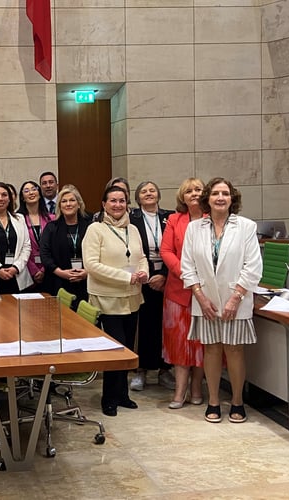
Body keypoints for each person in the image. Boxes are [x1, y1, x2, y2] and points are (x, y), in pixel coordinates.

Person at [181, 177, 262, 424]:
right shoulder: (195, 228)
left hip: (235, 301)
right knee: (212, 349)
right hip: (205, 302)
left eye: (225, 193)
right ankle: (213, 401)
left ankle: (237, 401)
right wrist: (201, 297)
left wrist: (235, 298)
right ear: (208, 198)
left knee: (235, 350)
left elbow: (253, 266)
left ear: (232, 198)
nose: (220, 198)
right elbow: (187, 266)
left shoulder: (246, 227)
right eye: (215, 193)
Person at [83, 185, 149, 417]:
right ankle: (108, 397)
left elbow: (141, 257)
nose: (118, 205)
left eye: (122, 201)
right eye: (113, 201)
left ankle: (122, 394)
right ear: (104, 204)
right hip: (107, 299)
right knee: (115, 349)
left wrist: (144, 273)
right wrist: (126, 277)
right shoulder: (95, 229)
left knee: (128, 349)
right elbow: (92, 265)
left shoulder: (133, 229)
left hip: (132, 298)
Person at [160, 178, 206, 409]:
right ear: (183, 197)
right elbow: (166, 251)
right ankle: (179, 392)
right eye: (189, 191)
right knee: (180, 344)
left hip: (206, 292)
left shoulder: (213, 219)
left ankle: (197, 388)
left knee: (201, 343)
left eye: (198, 189)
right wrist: (185, 274)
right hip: (178, 291)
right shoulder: (174, 220)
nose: (194, 194)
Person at [128, 181, 176, 392]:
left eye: (152, 190)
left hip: (169, 276)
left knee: (167, 325)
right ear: (138, 198)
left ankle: (166, 369)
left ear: (158, 195)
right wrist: (146, 274)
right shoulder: (132, 218)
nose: (148, 194)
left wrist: (165, 275)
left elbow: (178, 247)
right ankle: (142, 370)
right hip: (143, 277)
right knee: (145, 326)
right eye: (143, 192)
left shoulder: (170, 217)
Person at [40, 185, 92, 303]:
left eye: (72, 200)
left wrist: (87, 272)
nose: (68, 204)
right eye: (64, 201)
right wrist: (61, 273)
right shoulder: (51, 228)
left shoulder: (90, 226)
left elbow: (100, 253)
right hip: (58, 282)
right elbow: (45, 255)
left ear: (79, 204)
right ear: (59, 206)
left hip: (86, 282)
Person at [17, 180, 54, 291]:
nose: (31, 193)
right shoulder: (18, 219)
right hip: (26, 271)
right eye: (26, 191)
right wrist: (34, 270)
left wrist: (43, 269)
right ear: (22, 197)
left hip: (49, 270)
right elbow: (19, 249)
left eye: (34, 189)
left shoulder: (52, 219)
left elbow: (54, 247)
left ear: (39, 194)